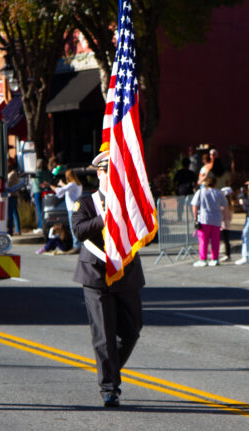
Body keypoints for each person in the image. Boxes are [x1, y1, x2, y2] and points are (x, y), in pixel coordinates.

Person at [72, 150, 145, 408]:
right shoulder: (87, 202)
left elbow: (147, 230)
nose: (112, 177)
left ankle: (110, 368)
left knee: (131, 331)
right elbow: (79, 230)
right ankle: (109, 388)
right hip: (96, 274)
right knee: (104, 335)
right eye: (107, 172)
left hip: (126, 274)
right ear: (99, 174)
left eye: (116, 172)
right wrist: (103, 219)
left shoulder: (131, 202)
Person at [191, 172, 228, 267]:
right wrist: (225, 218)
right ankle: (215, 258)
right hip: (216, 219)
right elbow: (224, 206)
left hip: (204, 218)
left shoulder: (200, 192)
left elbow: (195, 206)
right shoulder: (219, 193)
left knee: (203, 240)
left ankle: (203, 259)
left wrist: (195, 218)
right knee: (215, 240)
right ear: (215, 184)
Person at [52, 169, 83, 252]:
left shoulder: (72, 184)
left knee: (73, 227)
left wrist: (50, 185)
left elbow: (60, 191)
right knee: (77, 226)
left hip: (72, 208)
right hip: (76, 207)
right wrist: (62, 184)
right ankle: (78, 244)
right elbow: (66, 188)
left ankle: (76, 245)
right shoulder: (78, 184)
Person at [6, 159, 22, 235]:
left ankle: (11, 230)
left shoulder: (12, 174)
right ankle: (17, 229)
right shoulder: (13, 174)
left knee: (12, 213)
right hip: (13, 195)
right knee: (14, 213)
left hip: (12, 195)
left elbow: (8, 184)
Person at [220, 187, 234, 262]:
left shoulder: (224, 203)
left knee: (226, 240)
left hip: (223, 224)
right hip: (226, 223)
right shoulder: (228, 203)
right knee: (226, 240)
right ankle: (227, 254)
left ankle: (227, 254)